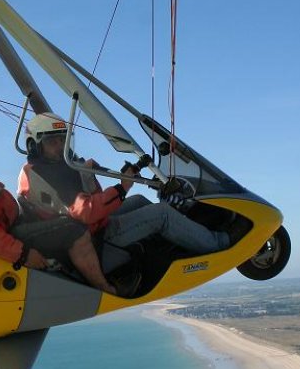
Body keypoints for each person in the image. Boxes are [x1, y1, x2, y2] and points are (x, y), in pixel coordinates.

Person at [0, 102, 117, 294]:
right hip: (10, 239)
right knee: (72, 228)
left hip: (13, 230)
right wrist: (22, 254)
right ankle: (104, 287)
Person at [17, 113, 231, 274]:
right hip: (92, 239)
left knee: (139, 201)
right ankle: (219, 244)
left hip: (91, 226)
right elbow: (85, 212)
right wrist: (122, 187)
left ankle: (183, 236)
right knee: (161, 213)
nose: (60, 145)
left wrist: (93, 169)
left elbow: (76, 187)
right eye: (52, 141)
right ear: (34, 145)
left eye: (63, 139)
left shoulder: (48, 167)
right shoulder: (44, 176)